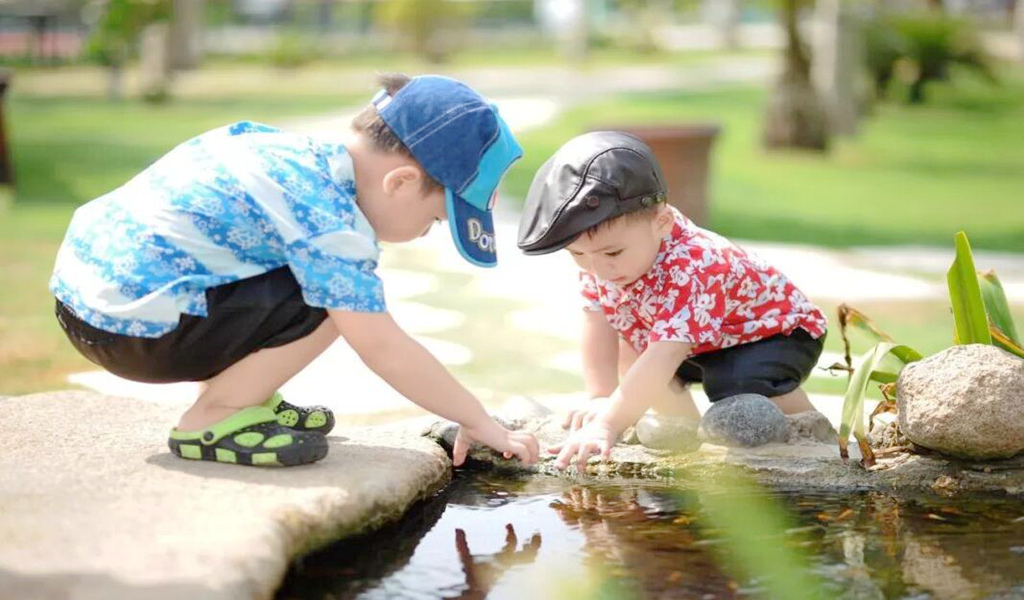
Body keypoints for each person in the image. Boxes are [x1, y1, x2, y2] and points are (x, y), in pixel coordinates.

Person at [50, 73, 539, 468]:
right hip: (132, 332)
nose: (423, 234)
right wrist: (478, 419)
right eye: (434, 221)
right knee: (336, 303)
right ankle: (216, 415)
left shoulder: (283, 153)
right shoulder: (327, 218)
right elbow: (382, 347)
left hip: (86, 303)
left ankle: (243, 395)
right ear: (402, 182)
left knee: (306, 277)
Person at [516, 131, 827, 470]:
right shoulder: (600, 261)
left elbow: (667, 352)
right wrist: (601, 397)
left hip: (773, 334)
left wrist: (608, 425)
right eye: (578, 254)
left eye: (613, 252)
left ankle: (809, 431)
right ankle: (682, 435)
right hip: (701, 340)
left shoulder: (694, 265)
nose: (599, 269)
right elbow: (598, 322)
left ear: (661, 223)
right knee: (631, 349)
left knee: (735, 384)